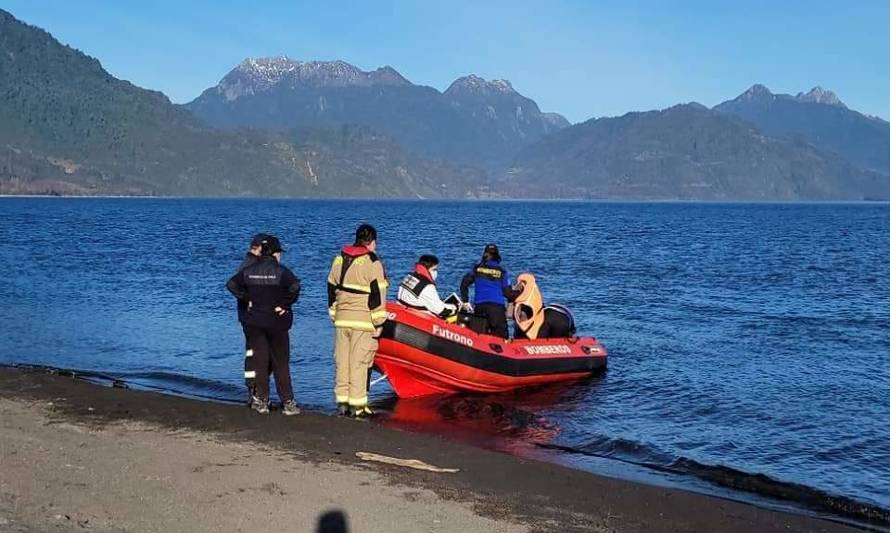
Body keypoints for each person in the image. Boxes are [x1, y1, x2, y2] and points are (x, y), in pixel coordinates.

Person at [226, 236, 301, 415]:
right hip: (277, 323)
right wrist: (285, 304)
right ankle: (288, 403)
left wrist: (247, 298)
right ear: (275, 254)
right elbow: (295, 286)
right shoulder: (281, 271)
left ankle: (261, 401)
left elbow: (231, 284)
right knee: (280, 363)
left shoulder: (249, 270)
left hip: (255, 322)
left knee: (260, 361)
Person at [327, 224, 388, 418]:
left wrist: (334, 313)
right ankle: (358, 406)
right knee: (359, 363)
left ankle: (342, 403)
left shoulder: (339, 259)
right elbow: (378, 295)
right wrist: (379, 323)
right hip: (363, 321)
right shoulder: (372, 262)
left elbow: (331, 289)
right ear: (371, 242)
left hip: (342, 319)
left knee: (342, 362)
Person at [235, 233, 269, 405]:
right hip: (252, 317)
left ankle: (252, 391)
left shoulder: (246, 263)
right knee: (257, 352)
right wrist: (248, 299)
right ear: (260, 248)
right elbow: (234, 285)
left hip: (246, 317)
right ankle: (255, 391)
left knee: (251, 352)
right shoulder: (251, 265)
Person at [459, 244, 519, 338]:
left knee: (479, 337)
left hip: (480, 307)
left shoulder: (477, 269)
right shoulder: (502, 272)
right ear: (498, 256)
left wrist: (466, 301)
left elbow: (464, 284)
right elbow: (508, 293)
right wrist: (520, 293)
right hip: (496, 309)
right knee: (501, 339)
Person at [511, 273, 577, 340]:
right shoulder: (534, 294)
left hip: (553, 317)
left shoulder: (523, 300)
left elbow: (512, 316)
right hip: (563, 316)